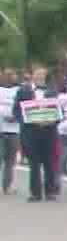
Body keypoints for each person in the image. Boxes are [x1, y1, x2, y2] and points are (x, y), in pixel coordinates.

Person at [13, 64, 62, 202]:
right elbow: (16, 110)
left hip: (48, 132)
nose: (40, 76)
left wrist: (53, 121)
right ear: (32, 75)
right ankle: (35, 193)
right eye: (37, 74)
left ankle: (50, 192)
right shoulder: (23, 91)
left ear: (46, 76)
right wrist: (27, 121)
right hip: (31, 132)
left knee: (49, 163)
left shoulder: (52, 91)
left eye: (42, 74)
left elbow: (59, 112)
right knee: (34, 164)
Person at [0, 67, 18, 195]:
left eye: (11, 75)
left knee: (10, 162)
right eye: (6, 75)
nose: (9, 77)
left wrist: (16, 117)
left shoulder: (19, 91)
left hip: (14, 131)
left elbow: (23, 108)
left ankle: (7, 186)